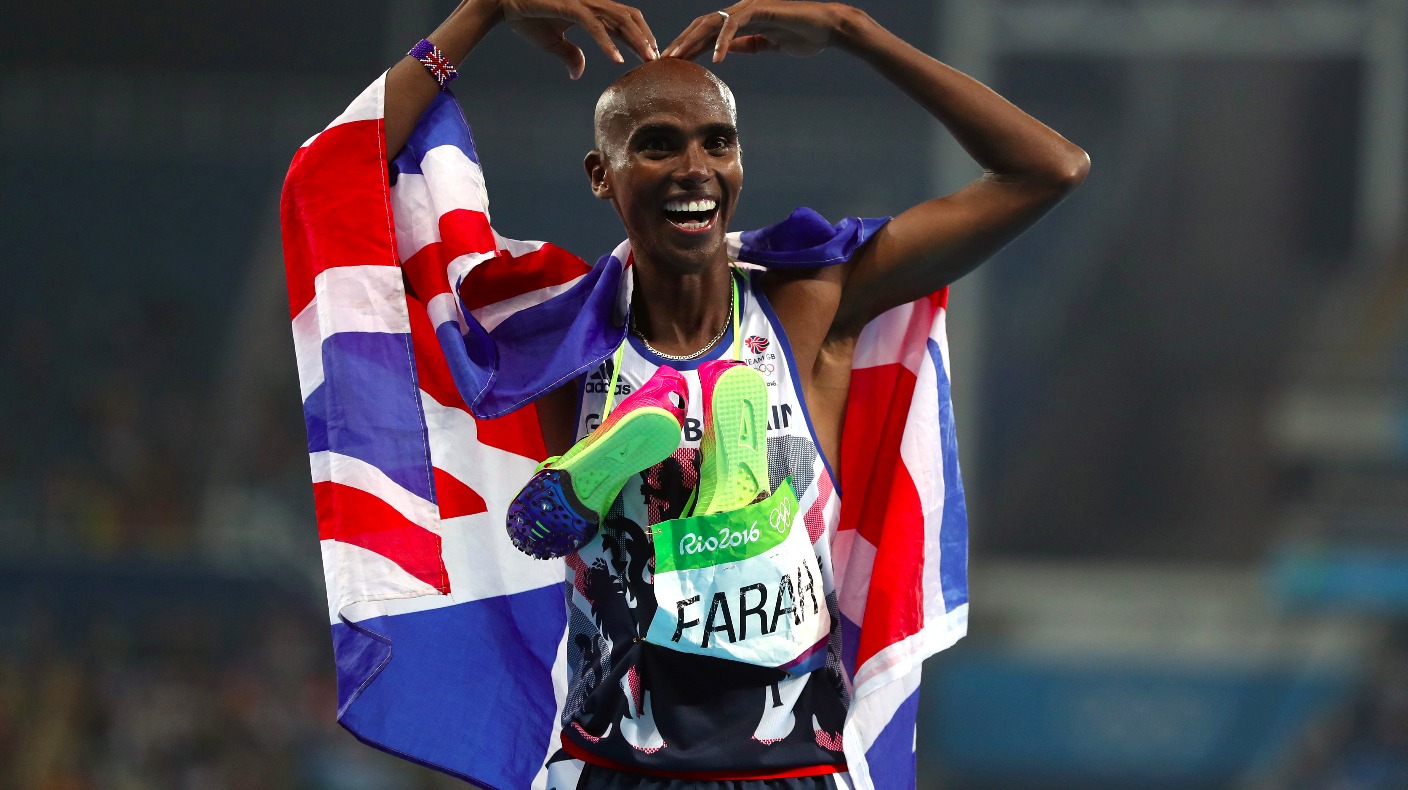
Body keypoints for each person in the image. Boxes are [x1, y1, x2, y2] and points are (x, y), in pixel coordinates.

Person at [377, 0, 1088, 787]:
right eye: (657, 145)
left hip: (791, 766)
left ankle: (723, 509)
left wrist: (854, 31)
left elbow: (1050, 169)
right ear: (601, 175)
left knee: (712, 500)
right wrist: (484, 10)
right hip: (615, 763)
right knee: (595, 531)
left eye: (717, 142)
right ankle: (635, 500)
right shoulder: (561, 341)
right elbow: (350, 182)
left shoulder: (808, 306)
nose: (695, 166)